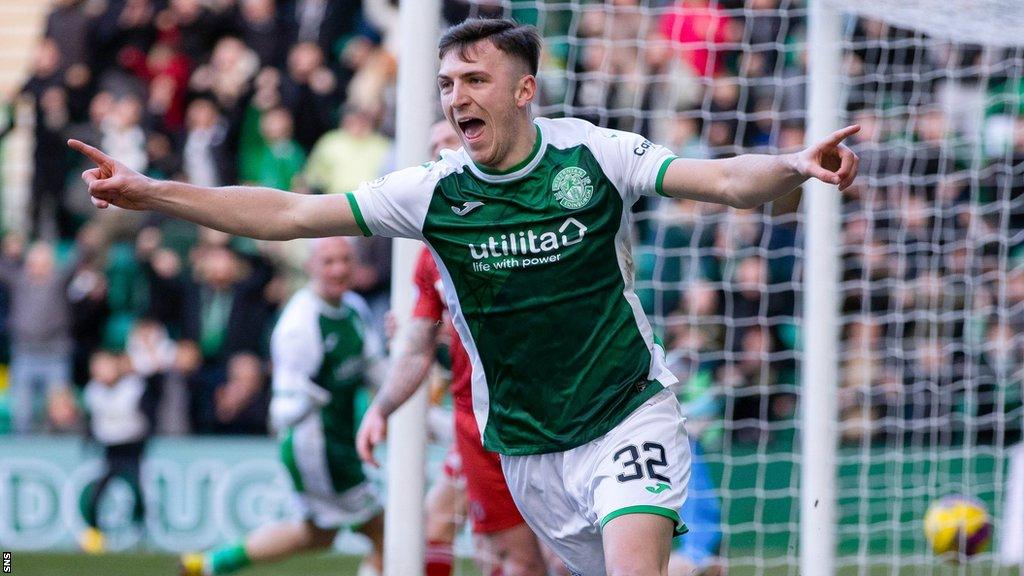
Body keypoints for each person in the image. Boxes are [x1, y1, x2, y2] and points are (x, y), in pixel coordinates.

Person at [70, 17, 858, 575]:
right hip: (524, 446)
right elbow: (290, 214)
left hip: (629, 410)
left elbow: (721, 180)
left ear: (524, 91)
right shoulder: (433, 192)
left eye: (475, 80)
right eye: (448, 83)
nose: (456, 98)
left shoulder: (595, 154)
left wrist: (792, 163)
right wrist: (155, 192)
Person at [179, 237, 386, 576]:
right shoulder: (300, 325)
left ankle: (211, 565)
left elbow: (378, 370)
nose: (338, 269)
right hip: (318, 450)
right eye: (329, 261)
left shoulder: (353, 308)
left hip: (339, 442)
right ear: (311, 267)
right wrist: (308, 398)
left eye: (345, 260)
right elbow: (282, 411)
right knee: (384, 531)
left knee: (318, 535)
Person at [79, 349, 155, 554]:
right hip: (110, 449)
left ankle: (139, 533)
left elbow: (149, 415)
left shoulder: (135, 388)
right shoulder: (93, 391)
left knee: (137, 489)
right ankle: (94, 536)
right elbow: (91, 420)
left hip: (132, 448)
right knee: (97, 492)